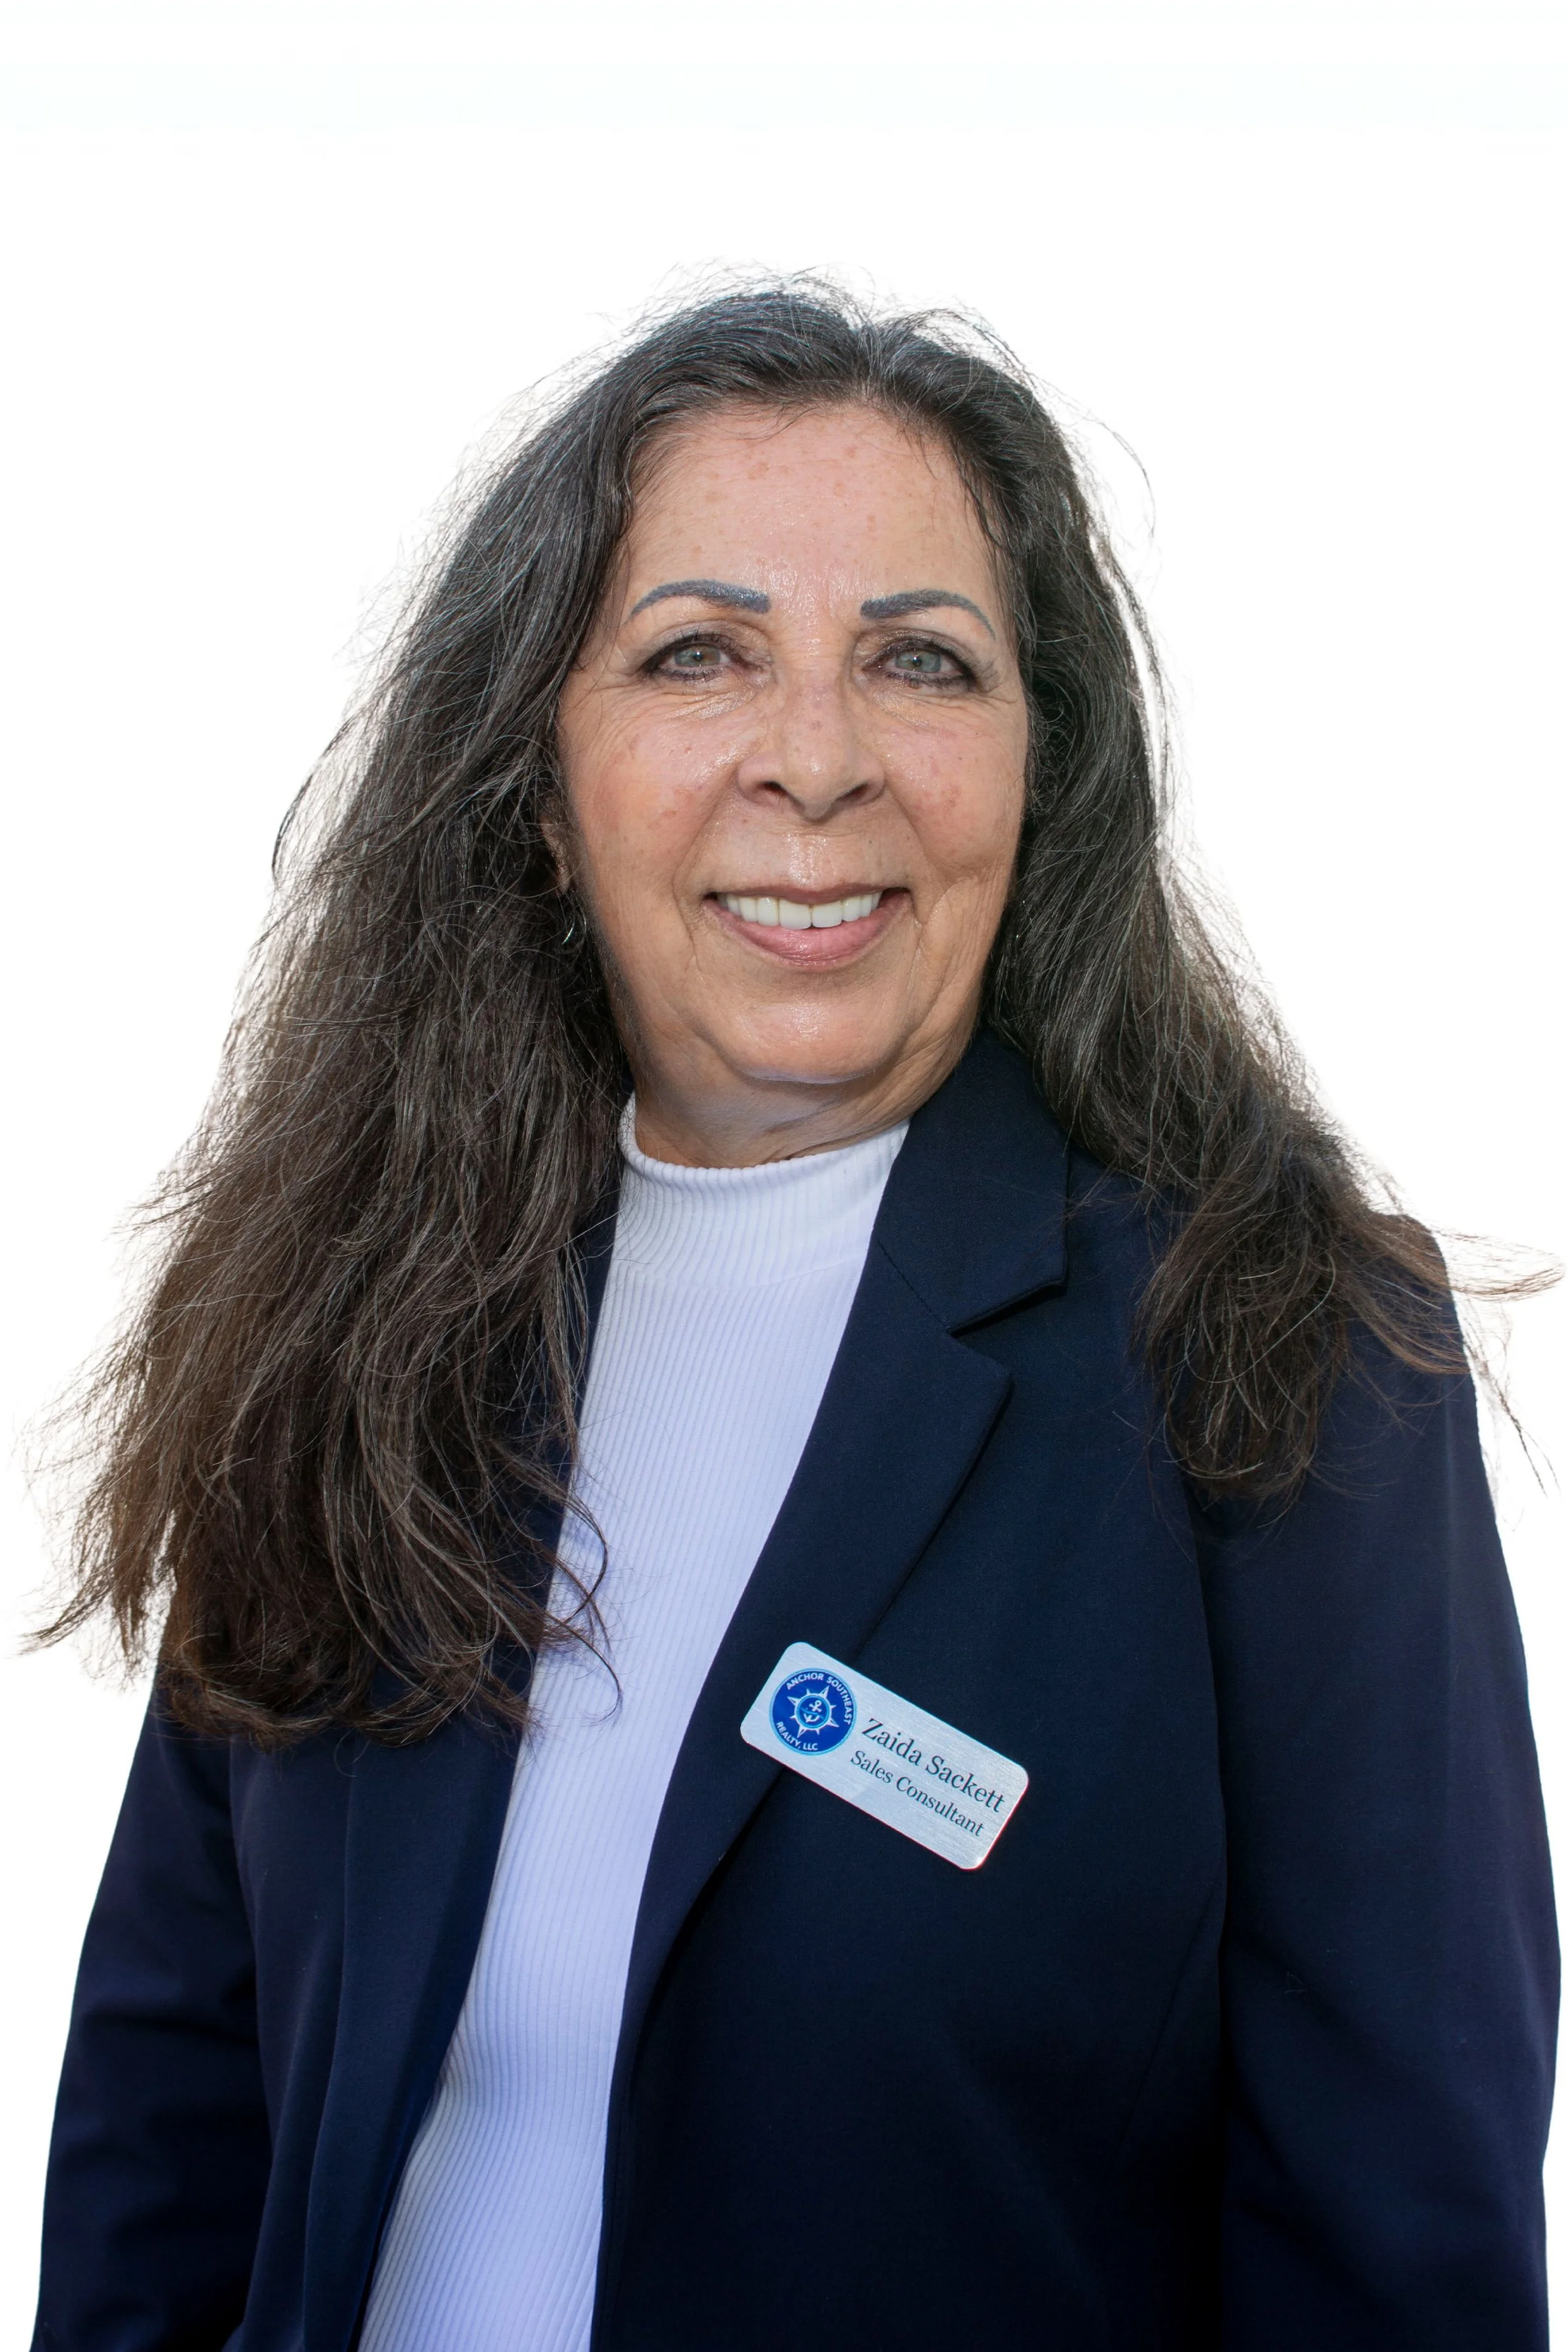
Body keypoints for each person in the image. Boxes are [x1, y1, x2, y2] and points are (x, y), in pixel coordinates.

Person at [31, 285, 1555, 2352]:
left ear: (1043, 775)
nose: (817, 759)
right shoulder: (358, 1323)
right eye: (698, 654)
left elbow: (1395, 2253)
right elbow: (165, 2140)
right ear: (535, 793)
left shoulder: (1284, 1361)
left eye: (919, 660)